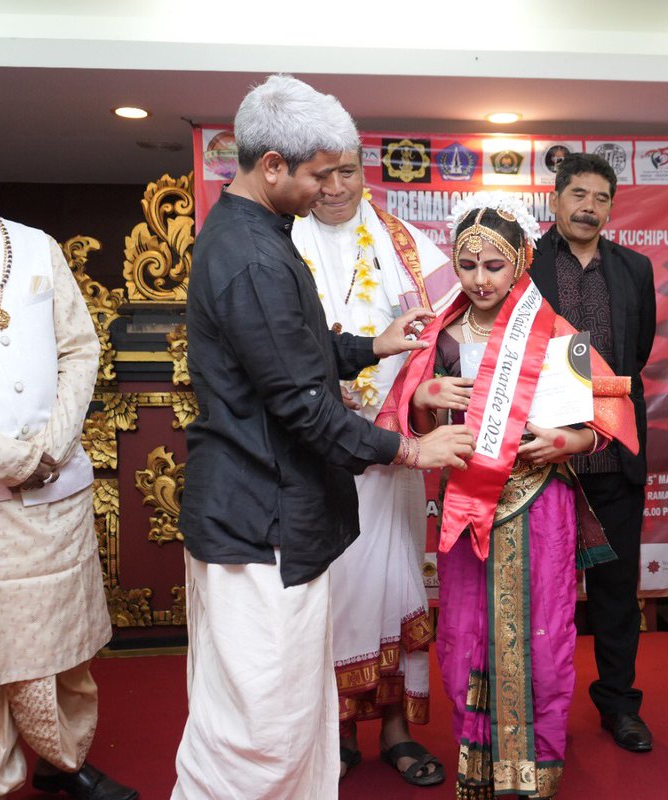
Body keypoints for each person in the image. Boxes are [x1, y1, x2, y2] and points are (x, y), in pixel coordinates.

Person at [172, 75, 474, 799]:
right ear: (272, 164)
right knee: (263, 732)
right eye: (317, 174)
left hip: (269, 509)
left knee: (281, 715)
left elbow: (293, 354)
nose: (327, 191)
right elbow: (303, 405)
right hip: (261, 520)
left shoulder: (254, 236)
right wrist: (410, 448)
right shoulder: (255, 258)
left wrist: (369, 348)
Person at [376, 192, 639, 799]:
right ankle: (479, 760)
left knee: (542, 636)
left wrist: (567, 441)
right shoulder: (441, 335)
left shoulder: (551, 330)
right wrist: (422, 398)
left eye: (493, 265)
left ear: (520, 260)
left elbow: (605, 414)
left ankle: (532, 769)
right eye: (467, 265)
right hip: (467, 502)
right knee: (466, 632)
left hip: (537, 505)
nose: (479, 279)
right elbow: (400, 423)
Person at [0, 86, 137, 800]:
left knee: (65, 649)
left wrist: (51, 445)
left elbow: (80, 348)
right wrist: (13, 462)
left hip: (53, 490)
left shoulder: (37, 248)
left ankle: (65, 765)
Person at [291, 142, 458, 786]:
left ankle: (395, 730)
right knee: (324, 592)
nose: (335, 187)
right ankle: (330, 732)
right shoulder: (282, 241)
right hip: (311, 449)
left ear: (366, 173)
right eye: (322, 175)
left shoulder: (408, 245)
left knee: (394, 584)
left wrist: (417, 401)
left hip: (393, 453)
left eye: (348, 173)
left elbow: (450, 339)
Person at [528, 152, 658, 753]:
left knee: (614, 592)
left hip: (612, 459)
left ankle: (618, 704)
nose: (588, 206)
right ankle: (531, 705)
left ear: (612, 206)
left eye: (600, 197)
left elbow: (638, 353)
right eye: (577, 194)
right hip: (540, 461)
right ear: (554, 199)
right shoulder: (524, 264)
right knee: (539, 594)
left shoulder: (634, 268)